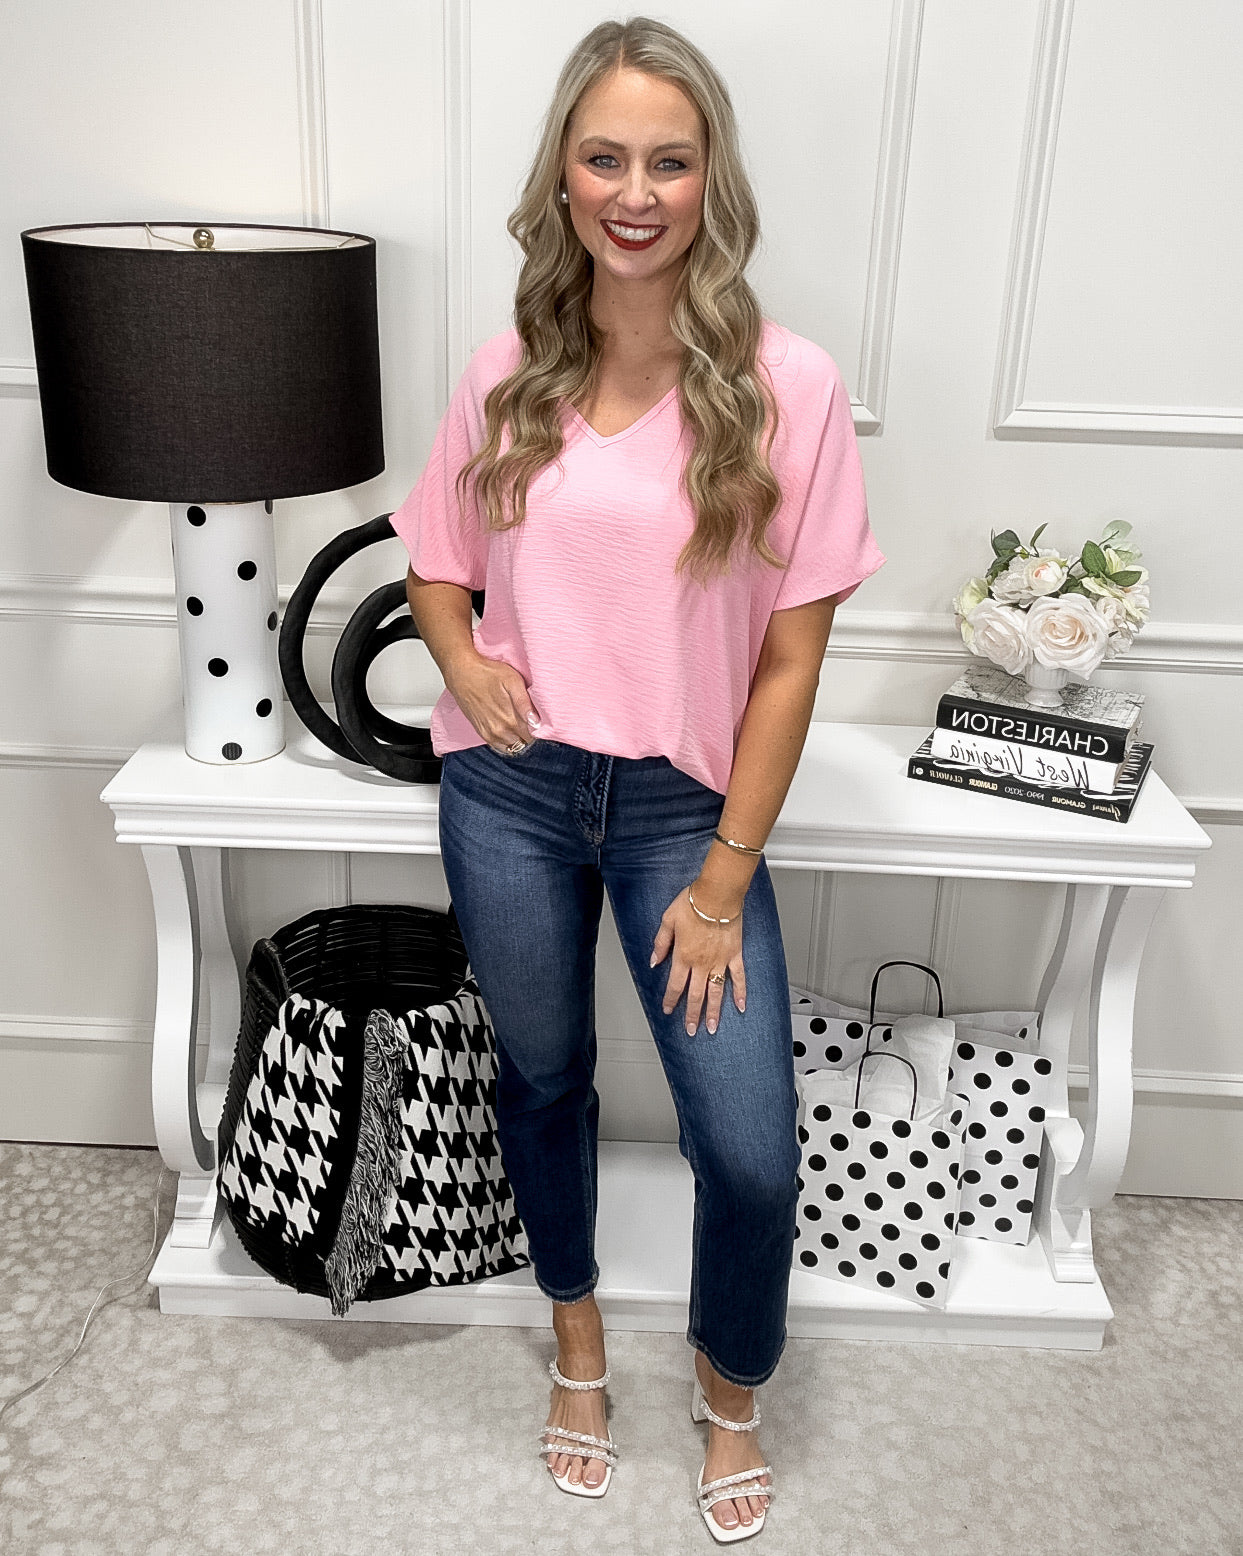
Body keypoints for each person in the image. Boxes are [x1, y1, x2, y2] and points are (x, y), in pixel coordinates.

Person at [391, 15, 884, 1543]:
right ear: (564, 173)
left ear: (710, 179)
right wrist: (464, 661)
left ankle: (731, 1389)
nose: (635, 190)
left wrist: (727, 874)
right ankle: (580, 1343)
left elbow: (790, 659)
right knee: (543, 1080)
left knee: (748, 1145)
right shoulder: (506, 373)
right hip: (513, 793)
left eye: (669, 161)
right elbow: (436, 567)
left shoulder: (788, 385)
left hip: (686, 814)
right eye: (605, 157)